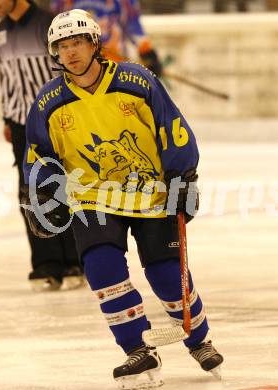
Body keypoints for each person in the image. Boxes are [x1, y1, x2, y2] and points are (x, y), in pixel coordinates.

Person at [22, 9, 224, 389]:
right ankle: (137, 348)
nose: (70, 53)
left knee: (167, 276)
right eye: (62, 47)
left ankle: (199, 340)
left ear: (95, 43)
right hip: (91, 199)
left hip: (150, 194)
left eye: (77, 42)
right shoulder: (48, 100)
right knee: (102, 270)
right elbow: (38, 155)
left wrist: (184, 178)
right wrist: (44, 192)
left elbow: (173, 129)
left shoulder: (137, 80)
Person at [0, 0, 84, 292]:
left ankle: (75, 259)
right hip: (19, 123)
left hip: (55, 117)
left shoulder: (48, 25)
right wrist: (6, 117)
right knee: (30, 190)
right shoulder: (0, 32)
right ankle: (46, 264)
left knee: (63, 184)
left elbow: (67, 70)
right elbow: (7, 79)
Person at [49, 0, 162, 77]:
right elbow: (54, 29)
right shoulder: (62, 2)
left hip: (115, 67)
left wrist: (146, 51)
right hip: (79, 70)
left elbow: (133, 24)